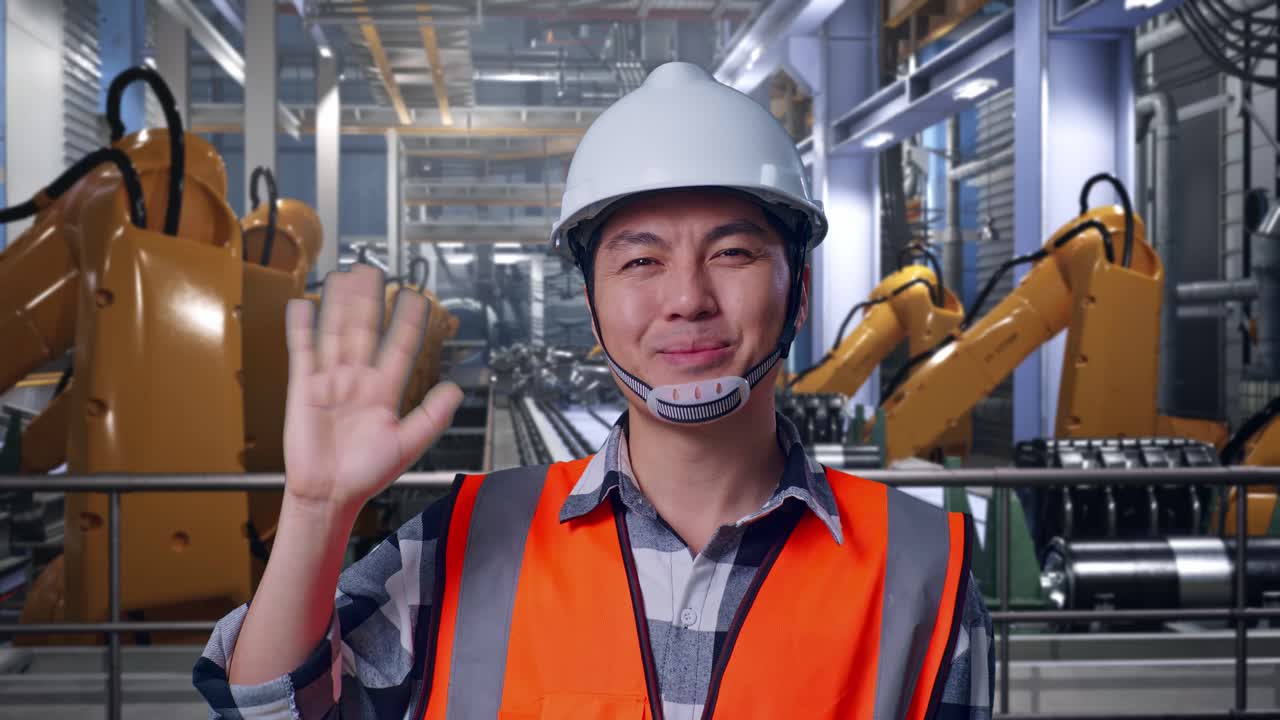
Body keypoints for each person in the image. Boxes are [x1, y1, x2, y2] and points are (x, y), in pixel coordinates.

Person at [194, 61, 993, 720]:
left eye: (735, 253)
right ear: (591, 301)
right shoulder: (463, 543)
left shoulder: (922, 570)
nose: (687, 298)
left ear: (801, 289)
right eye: (641, 261)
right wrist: (314, 513)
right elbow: (268, 712)